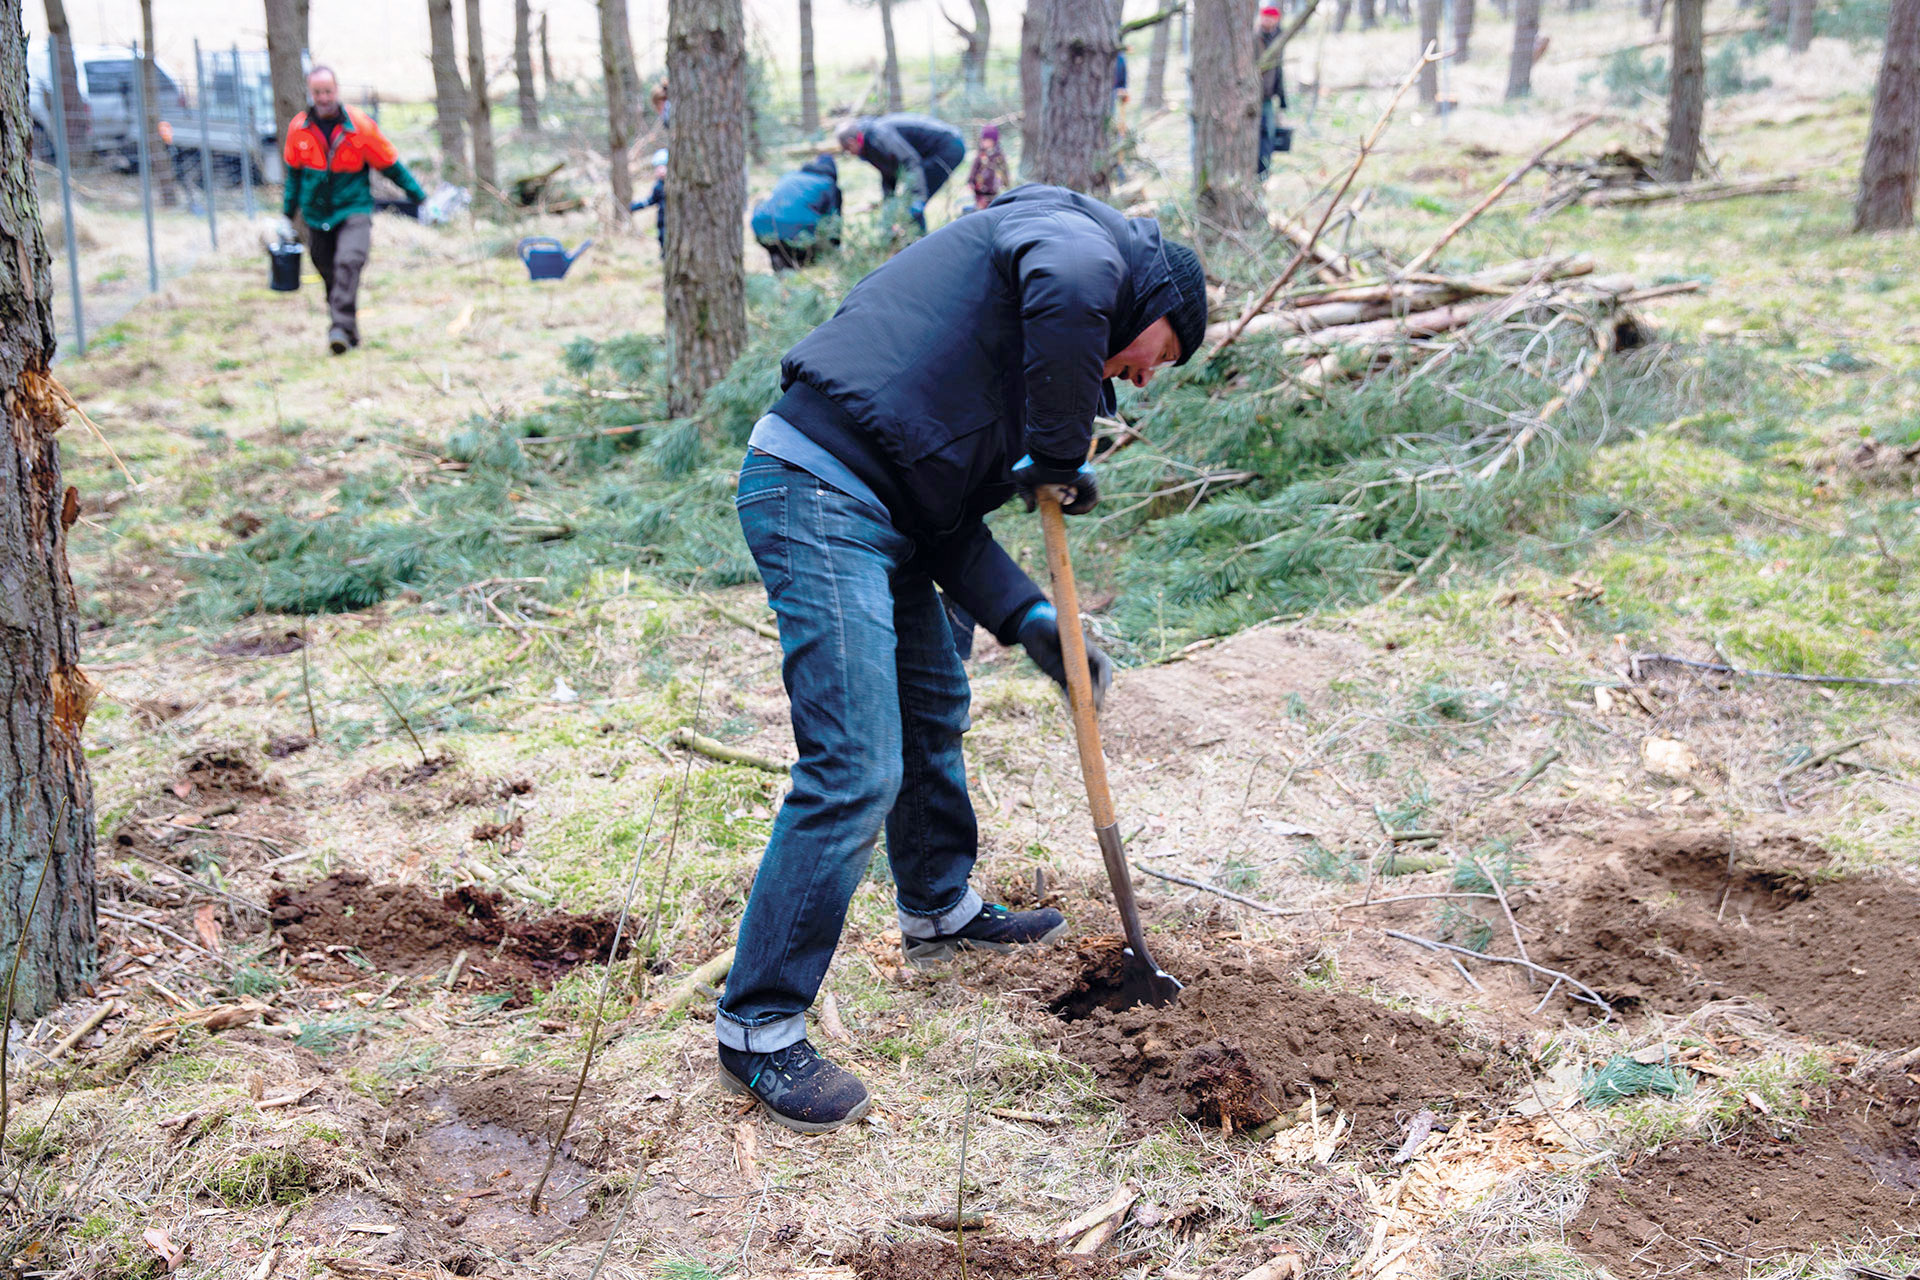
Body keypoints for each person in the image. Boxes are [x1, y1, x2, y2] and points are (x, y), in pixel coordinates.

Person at [716, 184, 1211, 1133]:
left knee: (934, 703)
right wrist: (1061, 451)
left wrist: (1027, 617)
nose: (1147, 381)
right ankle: (760, 1028)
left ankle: (937, 906)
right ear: (1155, 310)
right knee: (856, 765)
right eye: (1163, 358)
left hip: (884, 509)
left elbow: (944, 522)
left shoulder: (1023, 355)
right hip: (815, 490)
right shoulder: (1079, 244)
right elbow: (1067, 286)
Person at [279, 66, 427, 354]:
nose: (323, 98)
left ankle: (338, 329)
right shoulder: (299, 128)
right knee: (329, 273)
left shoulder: (359, 126)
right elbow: (294, 176)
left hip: (353, 209)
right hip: (316, 214)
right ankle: (348, 331)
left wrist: (420, 198)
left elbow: (390, 166)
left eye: (328, 91)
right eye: (317, 92)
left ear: (337, 91)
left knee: (350, 260)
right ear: (311, 93)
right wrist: (286, 215)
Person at [834, 113, 966, 234]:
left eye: (847, 150)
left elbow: (910, 161)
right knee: (910, 203)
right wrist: (888, 208)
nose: (849, 154)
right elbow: (888, 173)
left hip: (948, 146)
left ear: (852, 142)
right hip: (933, 152)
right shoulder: (868, 143)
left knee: (912, 204)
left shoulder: (878, 136)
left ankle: (918, 243)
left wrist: (917, 198)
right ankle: (912, 240)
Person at [752, 154, 843, 272]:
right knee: (807, 251)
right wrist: (835, 249)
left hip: (762, 225)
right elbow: (833, 221)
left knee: (781, 249)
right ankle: (806, 275)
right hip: (797, 230)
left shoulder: (790, 176)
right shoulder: (829, 183)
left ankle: (782, 271)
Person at [1255, 6, 1290, 178]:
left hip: (1269, 96)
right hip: (1252, 96)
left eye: (1271, 18)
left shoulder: (1279, 38)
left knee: (1268, 134)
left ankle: (1263, 173)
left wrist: (1282, 98)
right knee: (1256, 134)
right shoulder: (1254, 38)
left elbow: (1278, 71)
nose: (1267, 21)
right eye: (1265, 17)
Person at [630, 149, 668, 258]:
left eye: (663, 167)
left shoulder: (675, 185)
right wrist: (634, 207)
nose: (660, 170)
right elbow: (651, 200)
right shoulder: (658, 186)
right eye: (658, 167)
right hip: (662, 222)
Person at [965, 124, 1011, 211]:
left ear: (993, 141)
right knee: (980, 208)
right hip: (980, 189)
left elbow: (1004, 170)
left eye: (986, 140)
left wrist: (1006, 183)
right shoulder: (980, 155)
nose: (983, 142)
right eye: (983, 140)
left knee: (993, 208)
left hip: (994, 189)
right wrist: (970, 181)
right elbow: (974, 169)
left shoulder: (999, 156)